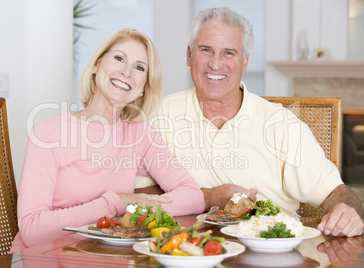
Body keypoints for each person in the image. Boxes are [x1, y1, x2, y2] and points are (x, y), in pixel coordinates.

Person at [135, 7, 363, 237]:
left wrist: (348, 211)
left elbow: (334, 192)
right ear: (189, 55)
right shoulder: (159, 114)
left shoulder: (282, 124)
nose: (215, 64)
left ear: (244, 63)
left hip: (271, 252)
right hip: (184, 249)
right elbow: (140, 194)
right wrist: (208, 197)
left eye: (229, 53)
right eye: (206, 50)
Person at [10, 29, 205, 252]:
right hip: (44, 257)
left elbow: (193, 197)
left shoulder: (140, 134)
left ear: (143, 87)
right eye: (119, 58)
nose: (126, 72)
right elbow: (32, 230)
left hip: (106, 256)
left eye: (139, 68)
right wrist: (114, 204)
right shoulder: (47, 134)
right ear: (96, 65)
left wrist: (137, 206)